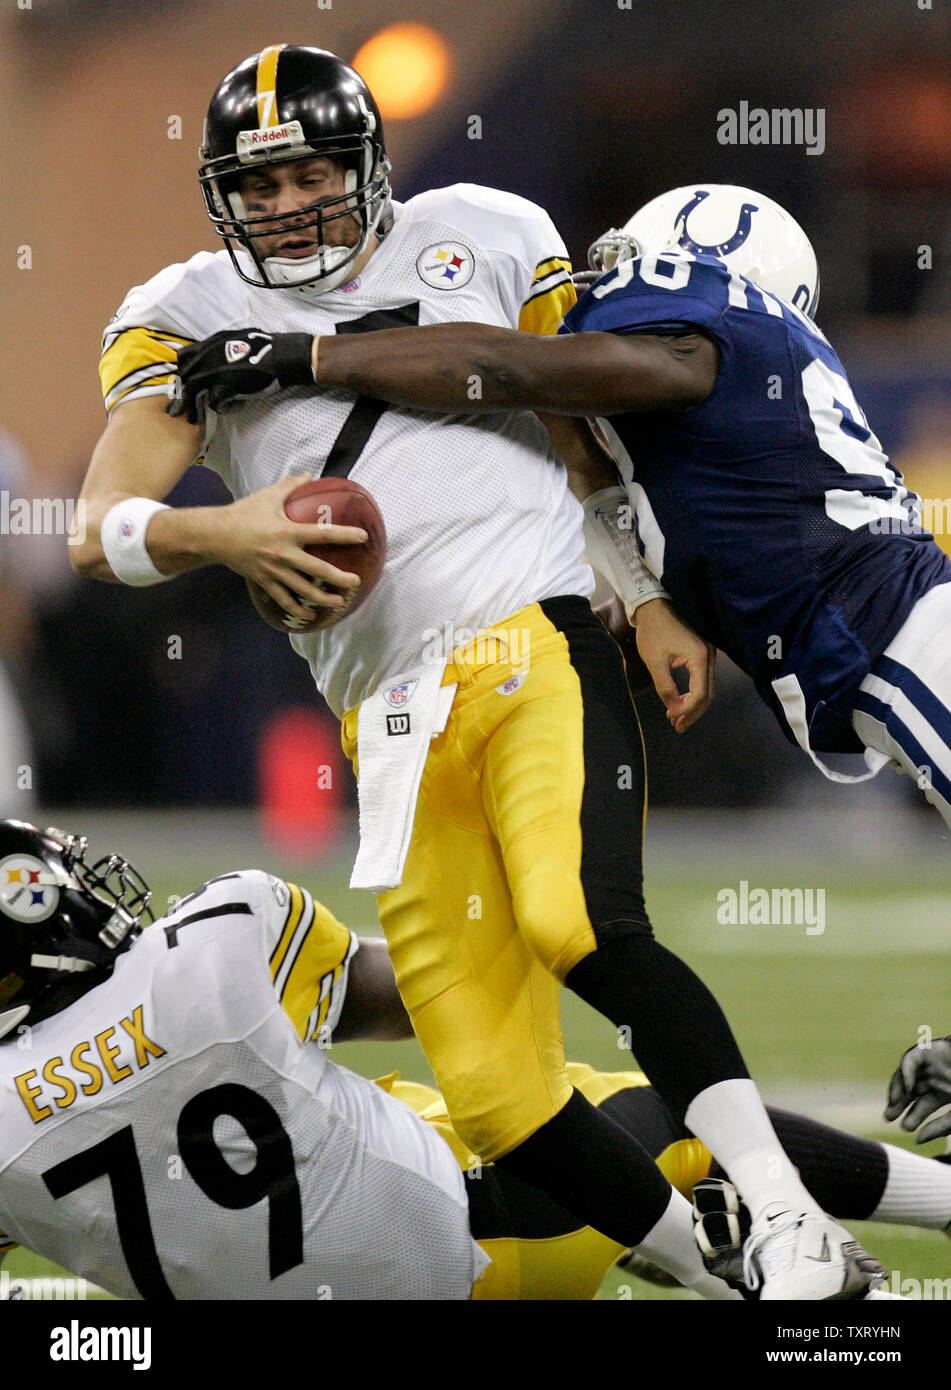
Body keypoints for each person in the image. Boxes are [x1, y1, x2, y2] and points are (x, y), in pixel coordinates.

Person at [72, 47, 875, 1300]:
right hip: (385, 719)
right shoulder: (179, 306)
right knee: (502, 1099)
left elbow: (581, 430)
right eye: (260, 181)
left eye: (312, 170)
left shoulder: (486, 230)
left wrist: (648, 594)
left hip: (530, 635)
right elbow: (100, 526)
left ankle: (785, 1214)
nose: (286, 202)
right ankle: (740, 1280)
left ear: (369, 164)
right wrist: (229, 531)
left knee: (574, 919)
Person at [1, 818, 946, 1301]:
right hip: (477, 1254)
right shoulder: (210, 941)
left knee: (373, 1106)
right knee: (641, 1114)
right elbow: (416, 1001)